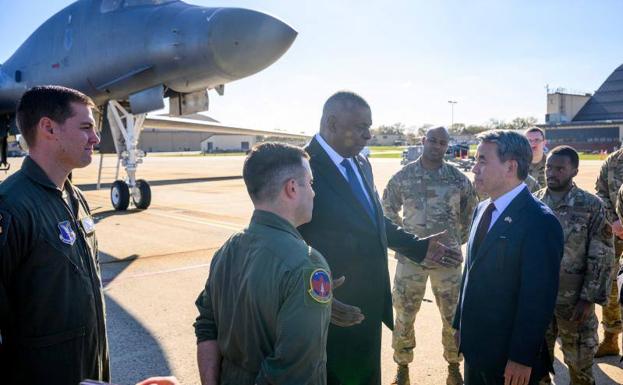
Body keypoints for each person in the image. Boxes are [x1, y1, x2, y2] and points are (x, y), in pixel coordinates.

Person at [298, 91, 461, 385]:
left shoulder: (361, 163)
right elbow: (287, 238)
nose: (369, 135)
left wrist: (419, 246)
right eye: (361, 127)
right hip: (331, 306)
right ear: (332, 123)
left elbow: (374, 221)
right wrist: (315, 294)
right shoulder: (301, 166)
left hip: (369, 302)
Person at [194, 142, 332, 385]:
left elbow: (207, 327)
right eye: (309, 183)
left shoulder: (227, 249)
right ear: (291, 188)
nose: (313, 192)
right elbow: (294, 373)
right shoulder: (307, 264)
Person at [0, 86, 107, 385]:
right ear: (49, 128)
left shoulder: (77, 200)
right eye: (86, 127)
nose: (96, 139)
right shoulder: (11, 207)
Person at [452, 130, 564, 385]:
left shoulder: (540, 222)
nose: (474, 167)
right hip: (475, 346)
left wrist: (521, 357)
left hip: (508, 360)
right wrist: (460, 323)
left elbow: (538, 299)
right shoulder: (482, 208)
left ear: (510, 166)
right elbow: (471, 271)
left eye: (482, 160)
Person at [382, 126, 478, 385]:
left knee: (452, 315)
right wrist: (405, 243)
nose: (437, 146)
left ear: (448, 146)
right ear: (423, 141)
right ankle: (402, 367)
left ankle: (453, 365)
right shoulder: (403, 177)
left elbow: (472, 211)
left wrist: (457, 242)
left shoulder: (457, 179)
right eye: (432, 141)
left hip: (447, 260)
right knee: (404, 313)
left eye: (442, 143)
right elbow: (387, 212)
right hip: (412, 258)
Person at [534, 146, 613, 385]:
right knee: (536, 366)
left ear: (574, 171)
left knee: (580, 366)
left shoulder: (590, 205)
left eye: (560, 168)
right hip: (538, 301)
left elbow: (602, 255)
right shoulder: (533, 202)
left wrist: (589, 298)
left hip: (575, 302)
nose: (552, 172)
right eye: (549, 167)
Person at [595, 147, 623, 357]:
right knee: (610, 283)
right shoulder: (613, 161)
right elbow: (601, 192)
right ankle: (611, 338)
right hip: (616, 231)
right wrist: (613, 220)